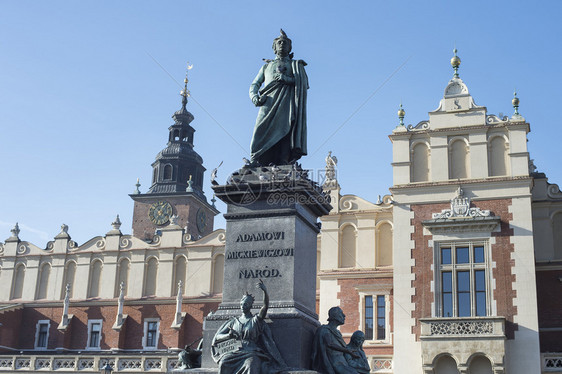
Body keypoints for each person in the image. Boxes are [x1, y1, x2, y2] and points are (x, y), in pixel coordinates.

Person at [249, 29, 308, 166]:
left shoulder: (295, 65)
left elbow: (303, 83)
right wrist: (254, 97)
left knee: (286, 128)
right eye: (279, 42)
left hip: (287, 103)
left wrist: (286, 78)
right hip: (268, 102)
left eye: (285, 43)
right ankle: (255, 158)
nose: (282, 44)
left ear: (289, 48)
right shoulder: (267, 66)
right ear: (274, 48)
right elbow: (254, 84)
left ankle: (283, 159)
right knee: (259, 129)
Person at [211, 279, 286, 374]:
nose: (243, 306)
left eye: (246, 304)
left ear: (251, 306)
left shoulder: (255, 320)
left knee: (251, 365)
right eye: (241, 304)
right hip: (235, 350)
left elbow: (264, 307)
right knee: (223, 362)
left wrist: (265, 292)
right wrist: (228, 336)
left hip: (251, 351)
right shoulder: (234, 321)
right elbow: (218, 336)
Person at [311, 307, 359, 374]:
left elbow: (345, 347)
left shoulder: (337, 332)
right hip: (335, 364)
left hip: (343, 363)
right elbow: (329, 344)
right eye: (341, 313)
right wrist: (347, 350)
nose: (344, 316)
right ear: (335, 316)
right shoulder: (325, 330)